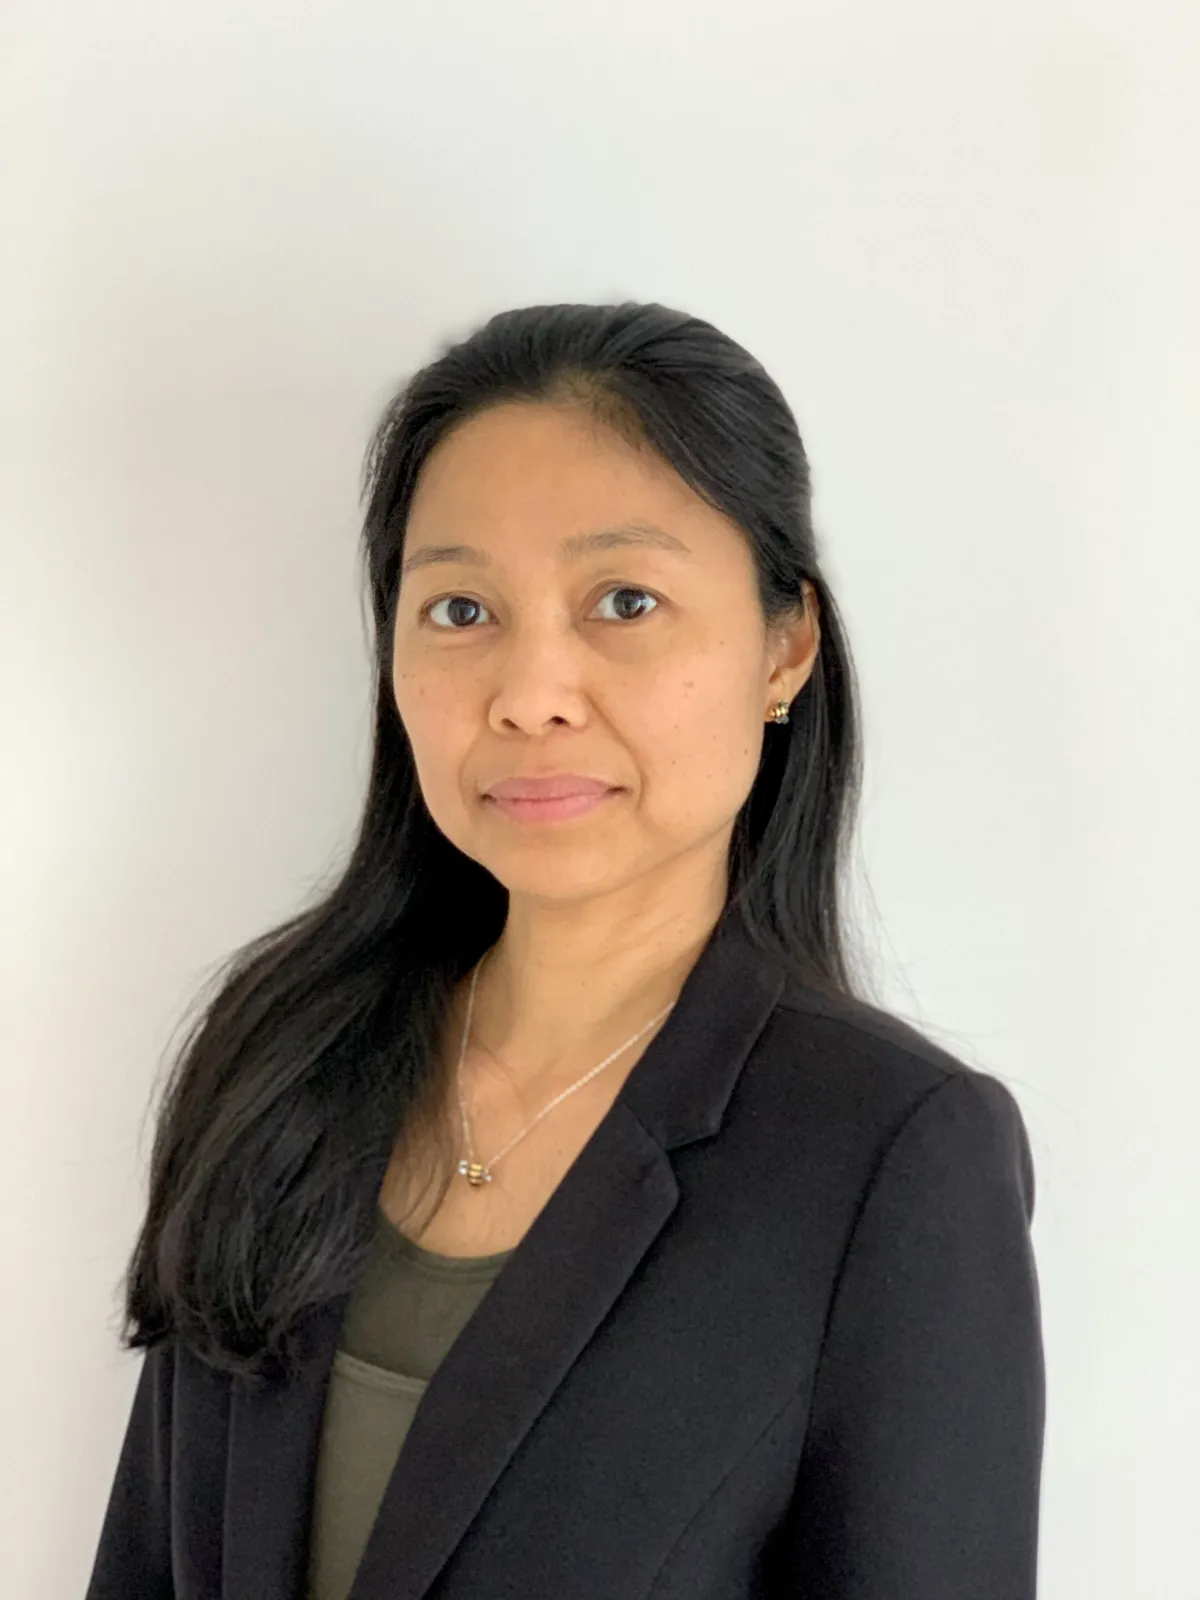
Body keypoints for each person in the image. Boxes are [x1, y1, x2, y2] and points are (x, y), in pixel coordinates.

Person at [85, 301, 1045, 1600]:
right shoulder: (283, 1049)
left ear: (785, 647)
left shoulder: (891, 1155)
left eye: (625, 601)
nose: (530, 693)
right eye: (460, 608)